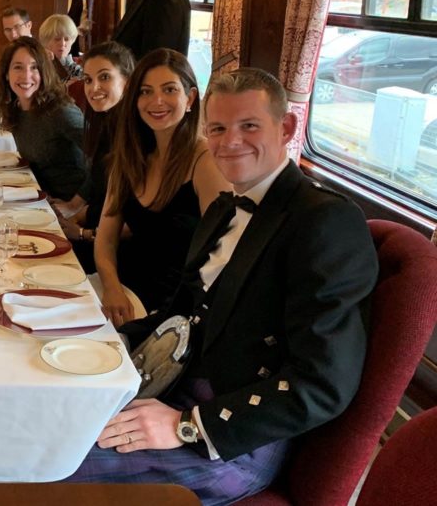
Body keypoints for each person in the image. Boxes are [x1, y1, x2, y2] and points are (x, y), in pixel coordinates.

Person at [66, 68, 379, 506]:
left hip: (235, 443)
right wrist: (99, 339)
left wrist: (186, 426)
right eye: (217, 128)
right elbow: (180, 315)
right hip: (167, 393)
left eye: (249, 126)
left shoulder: (324, 221)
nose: (230, 141)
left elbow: (323, 382)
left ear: (286, 128)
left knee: (44, 468)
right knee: (36, 427)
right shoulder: (223, 211)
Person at [92, 49, 228, 319]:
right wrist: (112, 287)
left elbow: (222, 256)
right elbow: (106, 240)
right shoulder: (130, 157)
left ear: (189, 98)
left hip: (171, 306)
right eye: (145, 91)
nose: (156, 101)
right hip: (121, 287)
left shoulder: (205, 162)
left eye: (169, 90)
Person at [52, 41, 135, 272]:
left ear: (127, 82)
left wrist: (81, 233)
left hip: (119, 255)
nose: (94, 87)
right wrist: (76, 215)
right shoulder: (107, 125)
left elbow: (138, 222)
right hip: (95, 234)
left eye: (105, 77)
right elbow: (103, 196)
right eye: (88, 79)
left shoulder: (136, 137)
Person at [0, 36, 87, 200]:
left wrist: (77, 204)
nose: (26, 76)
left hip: (67, 203)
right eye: (18, 67)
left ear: (44, 72)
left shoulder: (60, 112)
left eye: (34, 68)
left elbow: (104, 159)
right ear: (6, 74)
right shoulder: (16, 108)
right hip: (40, 196)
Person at [39, 14, 84, 82]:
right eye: (57, 39)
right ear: (46, 41)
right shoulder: (38, 68)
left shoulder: (78, 71)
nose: (62, 44)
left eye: (66, 39)